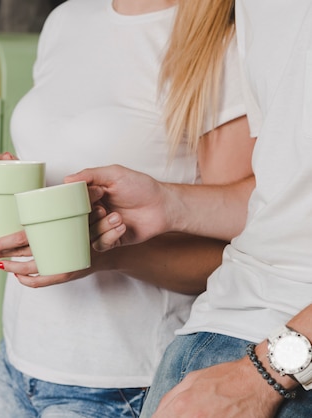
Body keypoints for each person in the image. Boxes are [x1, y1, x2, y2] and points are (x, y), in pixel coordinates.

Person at [0, 0, 255, 416]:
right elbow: (59, 152)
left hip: (119, 388)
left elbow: (239, 255)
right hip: (18, 362)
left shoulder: (223, 38)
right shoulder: (67, 19)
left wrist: (106, 255)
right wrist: (9, 184)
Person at [65, 1, 312, 416]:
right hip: (207, 343)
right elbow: (287, 203)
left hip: (280, 372)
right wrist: (169, 204)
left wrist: (267, 372)